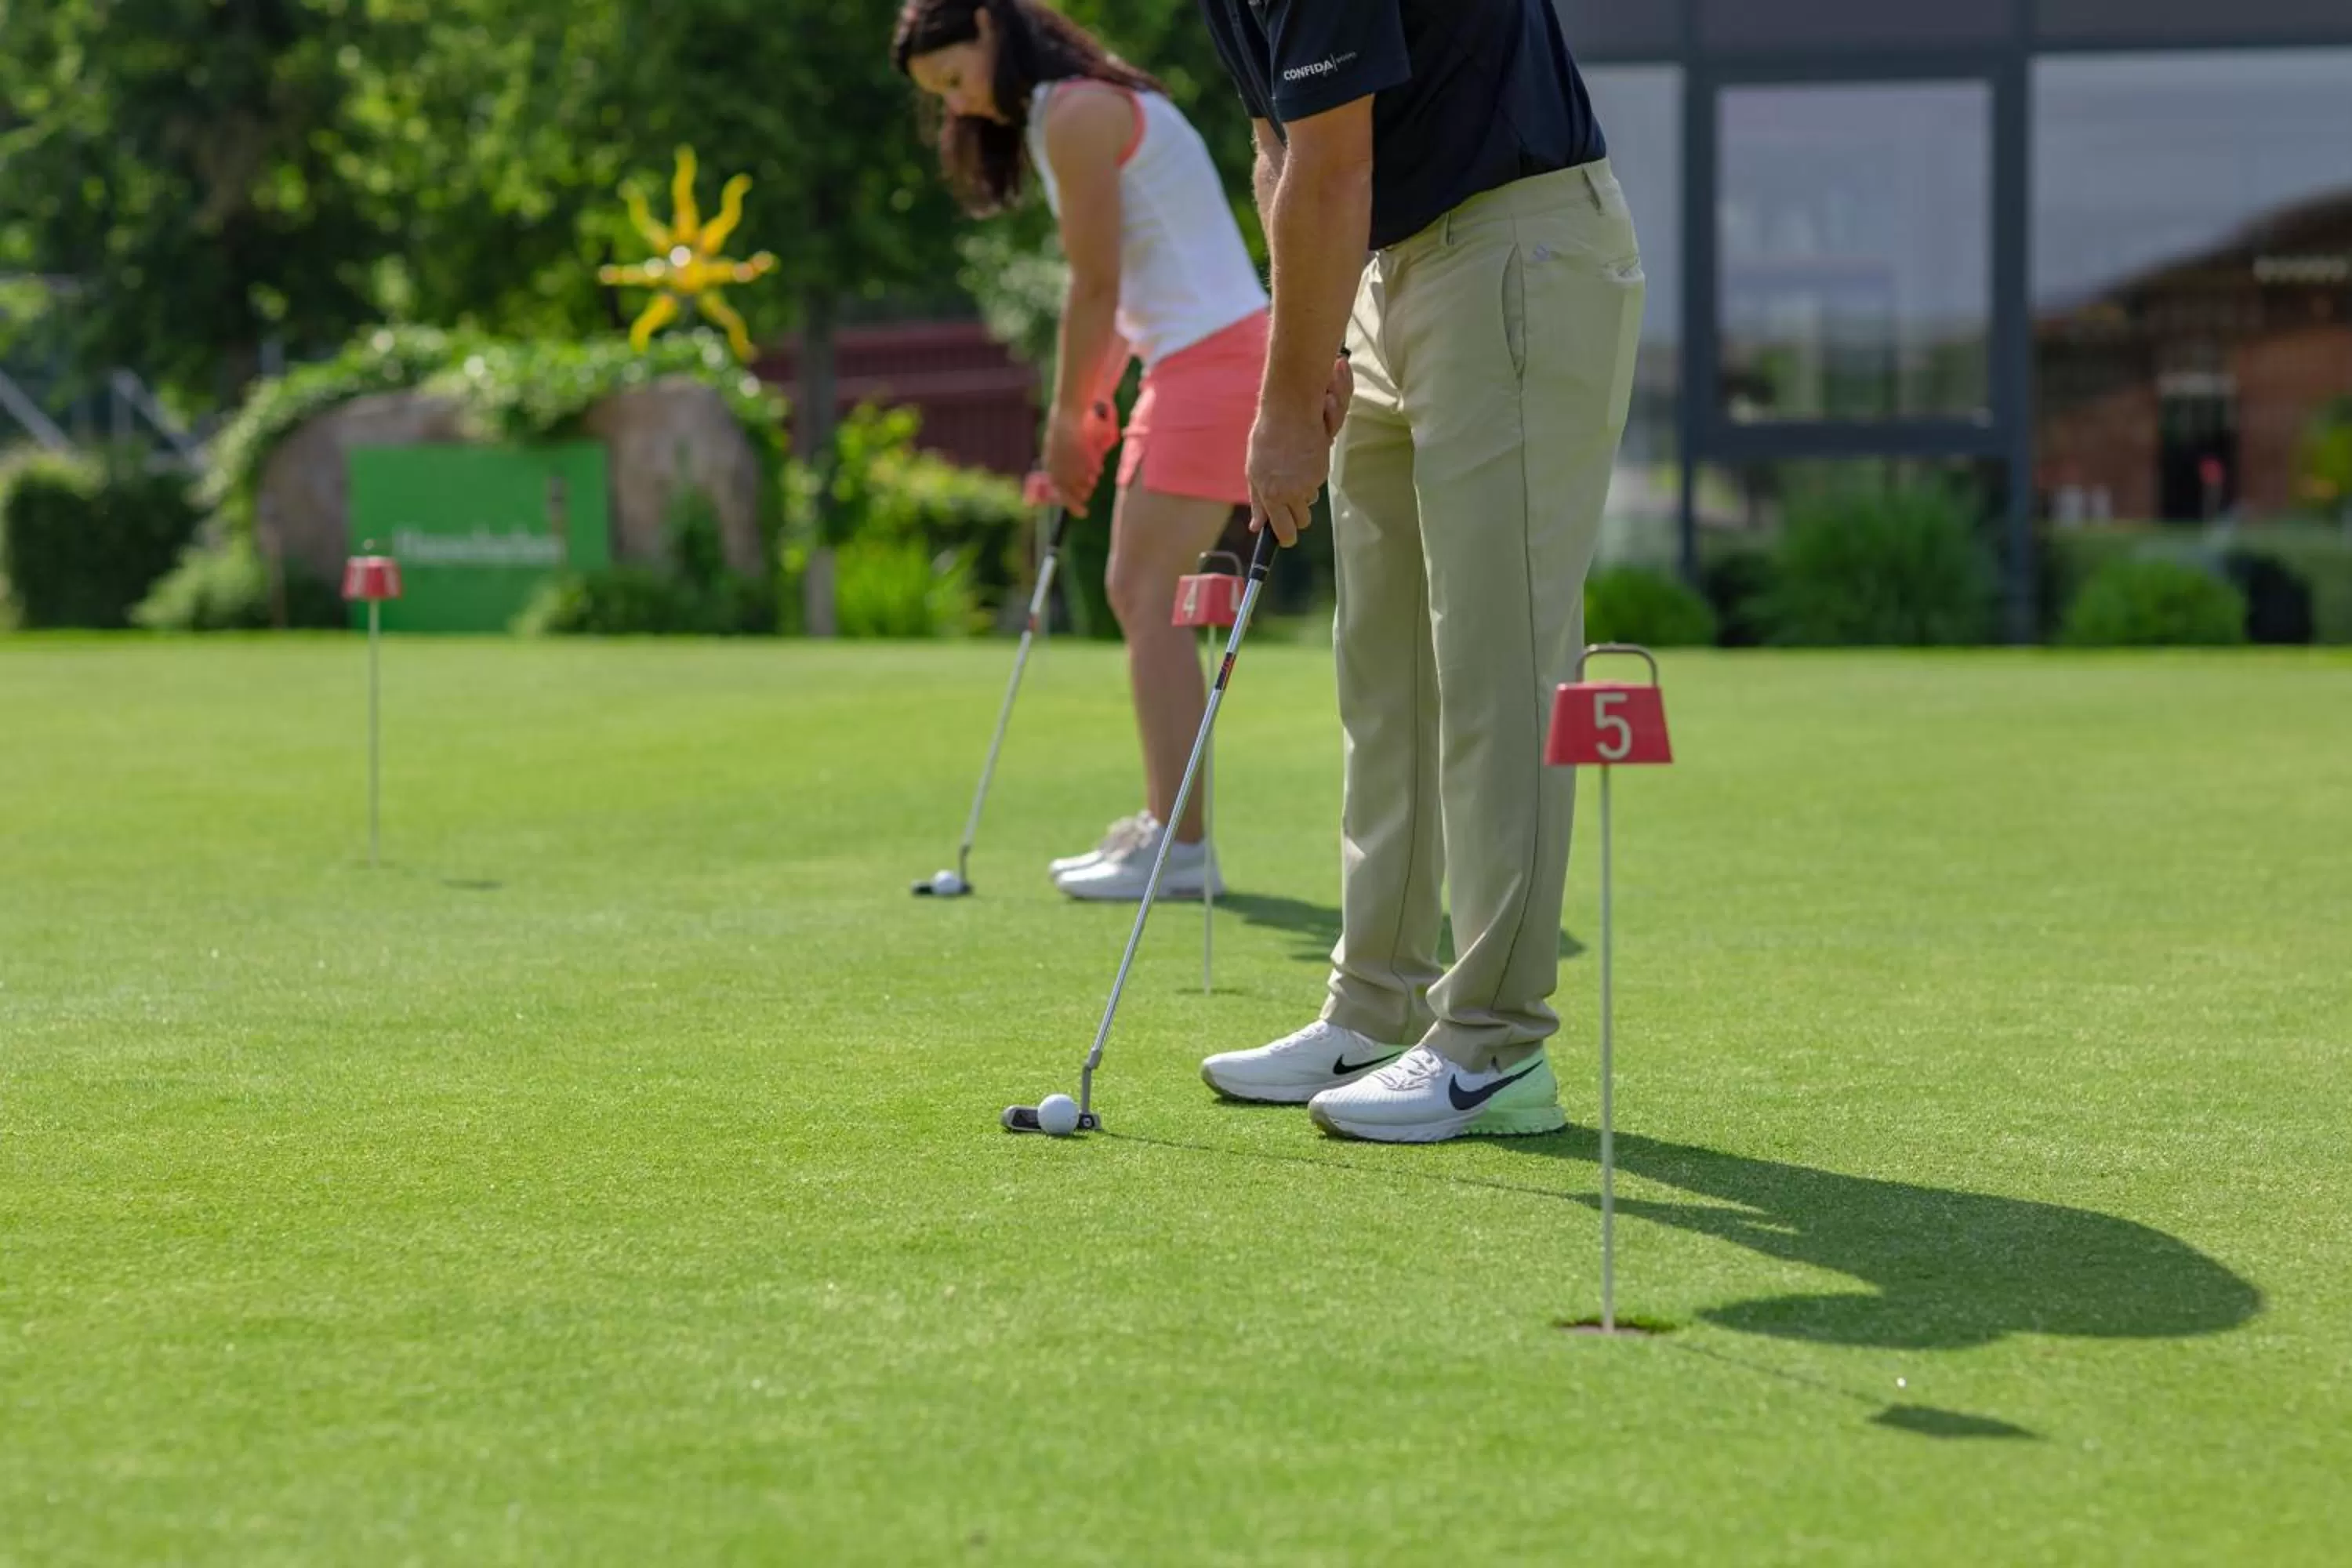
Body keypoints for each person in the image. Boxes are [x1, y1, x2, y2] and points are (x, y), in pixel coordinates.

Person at [1192, 0, 1646, 1142]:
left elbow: (1334, 167)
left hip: (1518, 247)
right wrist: (1322, 339)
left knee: (1497, 664)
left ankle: (1494, 1044)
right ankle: (1372, 1006)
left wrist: (1287, 400)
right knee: (1384, 672)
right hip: (1383, 273)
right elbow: (1282, 152)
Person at [893, 0, 1272, 902]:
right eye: (939, 95)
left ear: (989, 27)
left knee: (1145, 593)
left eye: (955, 78)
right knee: (1140, 592)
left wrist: (1069, 420)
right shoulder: (1073, 106)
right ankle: (1167, 825)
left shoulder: (1073, 112)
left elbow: (1095, 285)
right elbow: (1123, 284)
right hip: (1190, 358)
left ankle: (1181, 848)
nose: (958, 107)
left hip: (1211, 361)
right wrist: (1092, 402)